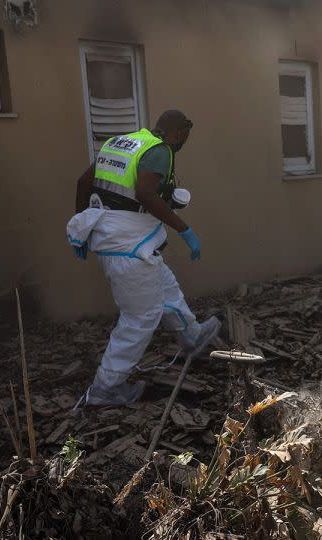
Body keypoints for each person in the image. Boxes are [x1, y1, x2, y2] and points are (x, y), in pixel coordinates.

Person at [67, 110, 220, 407]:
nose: (182, 144)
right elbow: (146, 194)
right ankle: (105, 388)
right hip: (129, 246)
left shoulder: (120, 143)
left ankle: (192, 336)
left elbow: (82, 183)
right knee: (140, 317)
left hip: (122, 242)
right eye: (183, 138)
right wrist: (184, 229)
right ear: (176, 133)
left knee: (165, 286)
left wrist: (82, 224)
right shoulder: (160, 150)